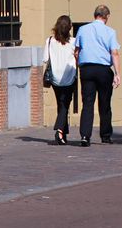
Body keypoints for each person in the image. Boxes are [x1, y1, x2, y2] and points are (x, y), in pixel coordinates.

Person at [74, 4, 121, 145]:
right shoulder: (110, 32)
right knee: (105, 103)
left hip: (87, 68)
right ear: (106, 17)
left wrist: (78, 65)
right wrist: (118, 73)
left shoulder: (82, 29)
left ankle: (85, 135)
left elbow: (76, 51)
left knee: (87, 103)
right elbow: (114, 53)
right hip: (103, 69)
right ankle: (105, 135)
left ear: (95, 15)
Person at [42, 14, 78, 146]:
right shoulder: (74, 42)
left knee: (60, 103)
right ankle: (59, 129)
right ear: (69, 28)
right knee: (65, 104)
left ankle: (63, 133)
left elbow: (45, 58)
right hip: (69, 77)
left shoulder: (50, 41)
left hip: (55, 78)